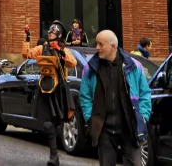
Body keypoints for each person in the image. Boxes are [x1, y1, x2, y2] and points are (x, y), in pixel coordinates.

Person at [79, 30, 152, 166]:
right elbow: (84, 96)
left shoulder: (134, 66)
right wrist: (90, 119)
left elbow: (145, 94)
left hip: (129, 128)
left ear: (113, 46)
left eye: (101, 44)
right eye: (97, 44)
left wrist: (142, 117)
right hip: (104, 131)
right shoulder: (90, 68)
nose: (97, 48)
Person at [22, 21, 77, 166]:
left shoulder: (64, 49)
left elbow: (73, 63)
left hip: (59, 89)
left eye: (53, 32)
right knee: (47, 123)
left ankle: (56, 152)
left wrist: (60, 50)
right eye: (50, 31)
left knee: (58, 122)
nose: (50, 33)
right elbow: (27, 54)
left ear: (59, 35)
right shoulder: (42, 47)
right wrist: (27, 38)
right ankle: (54, 155)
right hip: (44, 87)